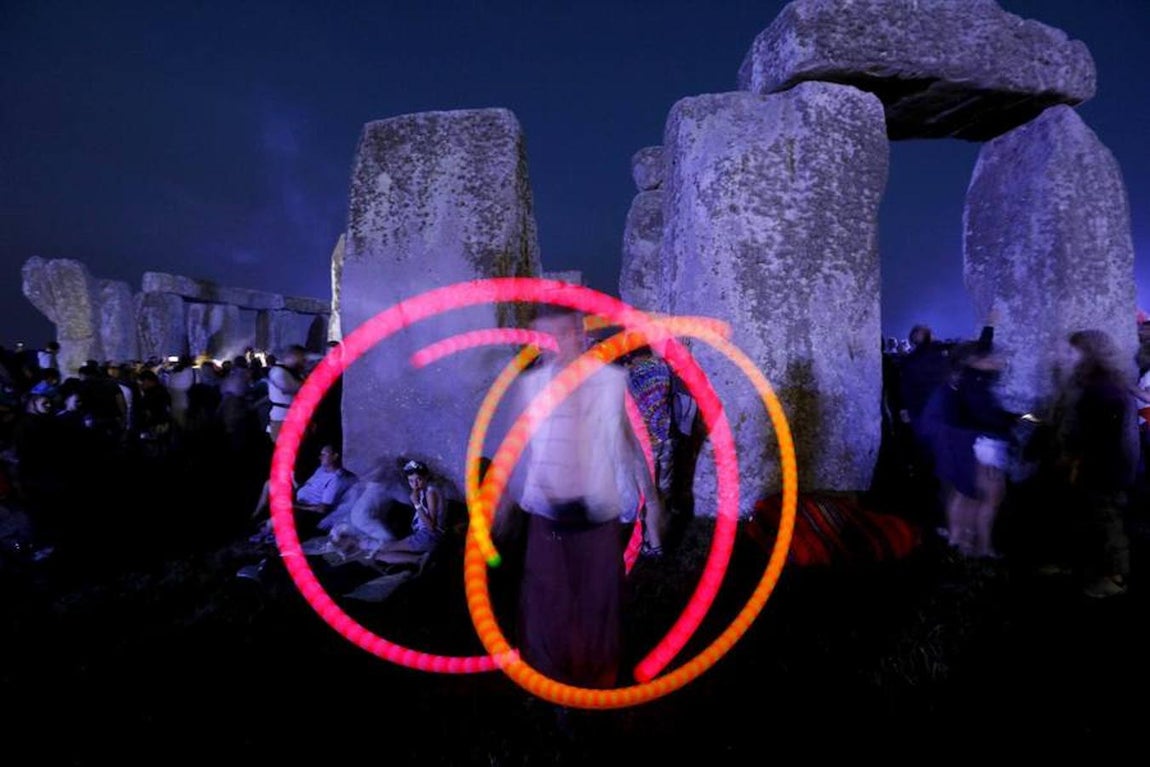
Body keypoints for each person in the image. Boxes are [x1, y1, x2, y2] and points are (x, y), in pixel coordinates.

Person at [499, 303, 660, 690]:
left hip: (597, 515)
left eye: (567, 332)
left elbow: (628, 443)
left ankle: (597, 682)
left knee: (597, 606)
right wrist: (502, 502)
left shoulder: (608, 383)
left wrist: (651, 501)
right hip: (547, 515)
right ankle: (555, 686)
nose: (559, 342)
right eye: (549, 335)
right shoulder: (531, 388)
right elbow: (516, 449)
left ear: (582, 335)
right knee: (547, 603)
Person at [1049, 329, 1138, 598]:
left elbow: (1103, 437)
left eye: (1072, 351)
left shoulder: (1104, 389)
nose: (1066, 355)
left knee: (1108, 519)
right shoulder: (1092, 383)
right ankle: (1092, 568)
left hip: (1103, 466)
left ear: (1089, 354)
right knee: (1093, 517)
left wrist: (1077, 460)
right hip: (1095, 463)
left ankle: (1114, 577)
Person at [369, 459, 448, 565]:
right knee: (380, 553)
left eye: (418, 479)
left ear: (426, 477)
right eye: (411, 481)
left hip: (428, 537)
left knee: (381, 551)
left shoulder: (430, 492)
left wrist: (416, 503)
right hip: (424, 536)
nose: (415, 484)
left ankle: (421, 560)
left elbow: (431, 527)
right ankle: (420, 560)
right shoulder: (425, 490)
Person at [266, 344, 308, 446]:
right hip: (282, 419)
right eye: (301, 357)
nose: (303, 361)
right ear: (292, 356)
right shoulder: (278, 372)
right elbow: (292, 388)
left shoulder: (291, 372)